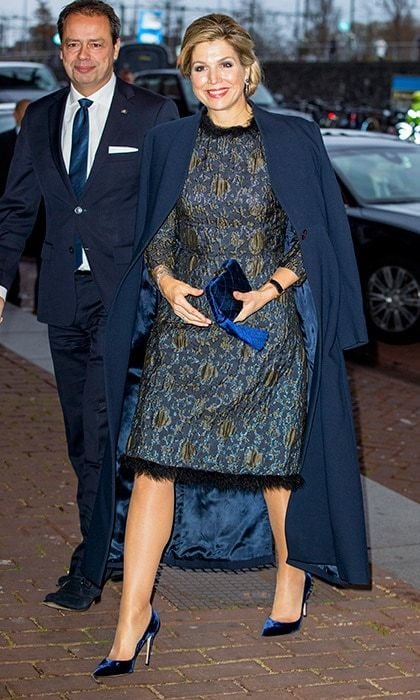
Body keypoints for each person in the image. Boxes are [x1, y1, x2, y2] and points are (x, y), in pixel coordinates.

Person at [84, 14, 370, 677]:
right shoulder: (168, 142)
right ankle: (132, 616)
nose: (213, 79)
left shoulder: (293, 139)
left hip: (265, 336)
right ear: (188, 75)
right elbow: (152, 230)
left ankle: (289, 583)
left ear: (248, 68)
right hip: (185, 336)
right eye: (199, 67)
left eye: (224, 64)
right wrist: (165, 281)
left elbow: (315, 235)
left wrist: (269, 290)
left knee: (275, 468)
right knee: (154, 464)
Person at [0, 0, 178, 611]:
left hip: (125, 296)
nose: (84, 56)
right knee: (82, 435)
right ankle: (118, 539)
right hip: (61, 296)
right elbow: (18, 207)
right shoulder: (41, 116)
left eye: (95, 44)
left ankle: (93, 562)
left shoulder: (155, 114)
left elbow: (173, 207)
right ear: (60, 48)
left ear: (116, 48)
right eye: (73, 44)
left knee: (101, 432)